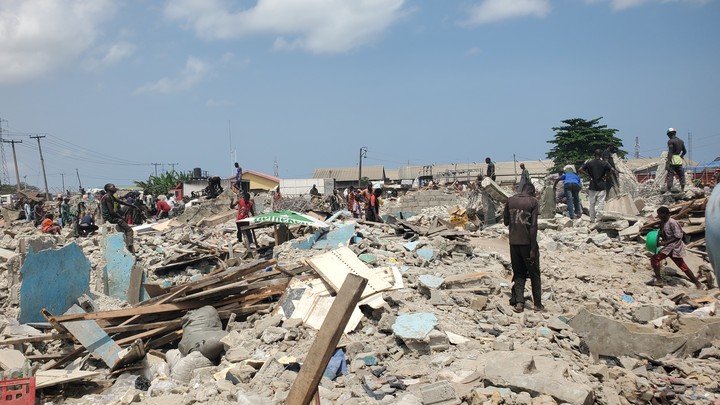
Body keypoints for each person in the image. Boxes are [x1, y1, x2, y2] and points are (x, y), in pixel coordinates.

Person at [503, 182, 542, 313]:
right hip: (527, 243)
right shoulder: (533, 202)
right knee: (534, 273)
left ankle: (519, 303)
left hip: (513, 243)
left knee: (518, 273)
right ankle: (537, 304)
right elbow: (533, 226)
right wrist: (532, 249)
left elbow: (506, 222)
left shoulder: (510, 200)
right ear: (531, 191)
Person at [649, 206, 703, 289]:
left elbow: (678, 236)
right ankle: (698, 284)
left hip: (673, 247)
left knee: (654, 259)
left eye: (659, 214)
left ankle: (659, 281)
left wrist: (664, 243)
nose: (658, 216)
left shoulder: (672, 222)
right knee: (683, 266)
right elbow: (663, 233)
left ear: (665, 214)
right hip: (670, 247)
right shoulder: (664, 222)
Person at [579, 150, 616, 222]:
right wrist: (606, 177)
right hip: (601, 185)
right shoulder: (604, 163)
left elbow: (580, 169)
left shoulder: (589, 163)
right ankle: (599, 218)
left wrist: (588, 175)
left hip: (592, 185)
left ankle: (592, 219)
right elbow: (612, 170)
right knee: (601, 203)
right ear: (601, 155)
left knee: (592, 203)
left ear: (594, 155)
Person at [100, 183, 136, 253]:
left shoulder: (110, 196)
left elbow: (120, 201)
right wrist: (122, 218)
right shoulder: (107, 197)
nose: (115, 188)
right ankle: (130, 247)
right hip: (110, 217)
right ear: (108, 189)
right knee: (129, 230)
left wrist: (132, 205)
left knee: (128, 208)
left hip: (111, 215)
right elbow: (111, 212)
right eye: (113, 187)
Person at [665, 128, 687, 192]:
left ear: (669, 134)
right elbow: (685, 151)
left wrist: (667, 163)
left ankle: (669, 190)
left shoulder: (670, 141)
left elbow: (670, 152)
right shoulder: (681, 141)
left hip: (672, 160)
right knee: (681, 174)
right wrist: (681, 156)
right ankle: (682, 188)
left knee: (670, 174)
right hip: (679, 160)